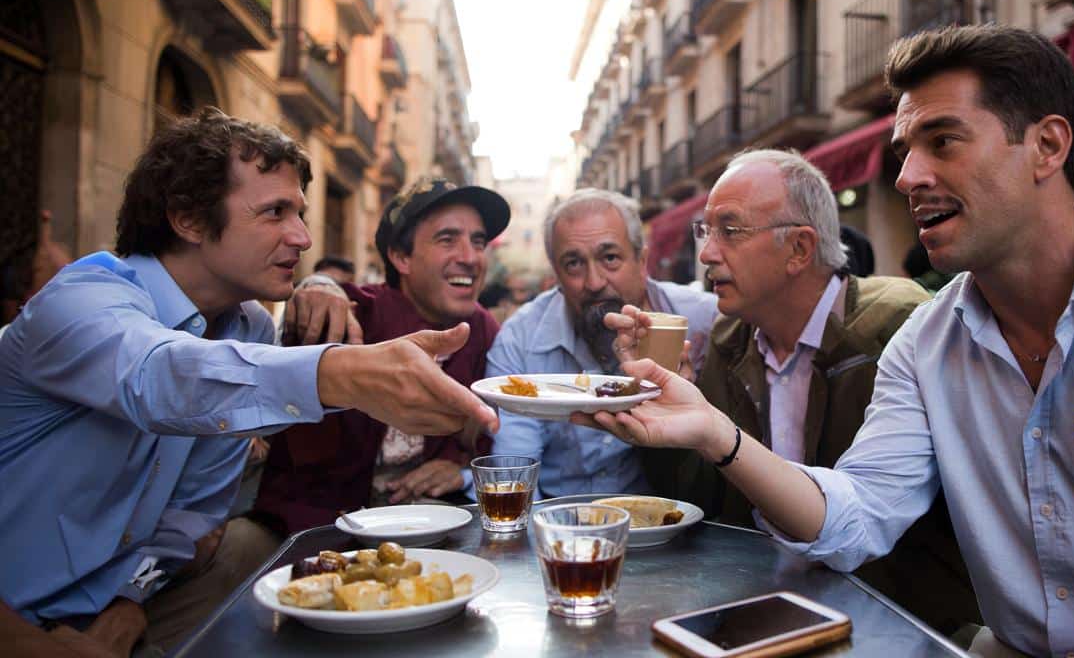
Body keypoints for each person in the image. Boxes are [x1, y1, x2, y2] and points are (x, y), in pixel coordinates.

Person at [583, 25, 1074, 656]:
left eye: (942, 141)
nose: (908, 176)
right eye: (905, 149)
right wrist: (714, 433)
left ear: (1047, 146)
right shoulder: (927, 342)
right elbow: (860, 513)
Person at [0, 109, 497, 656]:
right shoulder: (80, 300)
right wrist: (343, 374)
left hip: (128, 605)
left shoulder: (250, 326)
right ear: (189, 220)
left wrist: (128, 604)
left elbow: (191, 517)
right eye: (275, 212)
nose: (303, 237)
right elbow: (159, 377)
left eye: (300, 213)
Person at [612, 151, 977, 633]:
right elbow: (701, 499)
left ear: (800, 249)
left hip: (893, 624)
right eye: (706, 231)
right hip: (761, 609)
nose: (706, 254)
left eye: (730, 230)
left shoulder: (898, 325)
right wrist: (664, 413)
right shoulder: (729, 340)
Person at [248, 177, 509, 540]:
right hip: (311, 531)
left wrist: (461, 468)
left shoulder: (484, 330)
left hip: (430, 529)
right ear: (401, 257)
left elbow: (500, 437)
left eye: (478, 242)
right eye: (447, 240)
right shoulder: (348, 311)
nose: (470, 257)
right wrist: (315, 285)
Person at [484, 189, 718, 498]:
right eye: (573, 264)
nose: (594, 282)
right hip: (555, 517)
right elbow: (514, 471)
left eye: (610, 258)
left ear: (642, 261)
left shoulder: (704, 321)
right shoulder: (519, 340)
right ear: (556, 274)